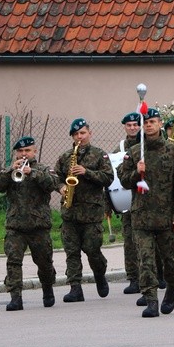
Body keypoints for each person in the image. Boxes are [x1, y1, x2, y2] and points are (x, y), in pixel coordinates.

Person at [118, 108, 174, 317]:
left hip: (166, 217)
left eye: (153, 122)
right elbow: (123, 181)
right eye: (145, 122)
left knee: (171, 261)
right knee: (145, 260)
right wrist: (136, 172)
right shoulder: (134, 152)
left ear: (159, 124)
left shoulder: (173, 151)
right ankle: (151, 300)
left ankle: (172, 288)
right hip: (141, 216)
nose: (149, 125)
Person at [0, 136, 58, 311]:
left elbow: (52, 184)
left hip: (39, 226)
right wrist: (9, 172)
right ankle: (16, 297)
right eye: (20, 151)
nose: (23, 154)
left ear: (34, 151)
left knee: (44, 262)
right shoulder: (11, 171)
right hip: (15, 226)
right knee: (13, 261)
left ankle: (47, 288)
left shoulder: (43, 169)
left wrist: (32, 173)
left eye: (27, 150)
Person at [55, 118, 114, 303]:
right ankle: (75, 288)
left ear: (90, 133)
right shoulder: (65, 157)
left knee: (92, 250)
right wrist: (61, 188)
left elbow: (108, 178)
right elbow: (55, 177)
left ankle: (99, 274)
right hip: (70, 211)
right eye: (76, 134)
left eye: (82, 133)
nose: (79, 137)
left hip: (91, 213)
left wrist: (86, 172)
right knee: (71, 252)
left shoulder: (99, 155)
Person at [109, 112, 143, 295]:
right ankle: (133, 278)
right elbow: (112, 175)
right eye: (129, 125)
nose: (132, 128)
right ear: (124, 127)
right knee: (129, 241)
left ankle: (158, 274)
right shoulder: (120, 148)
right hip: (126, 200)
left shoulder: (146, 144)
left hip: (147, 199)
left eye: (135, 125)